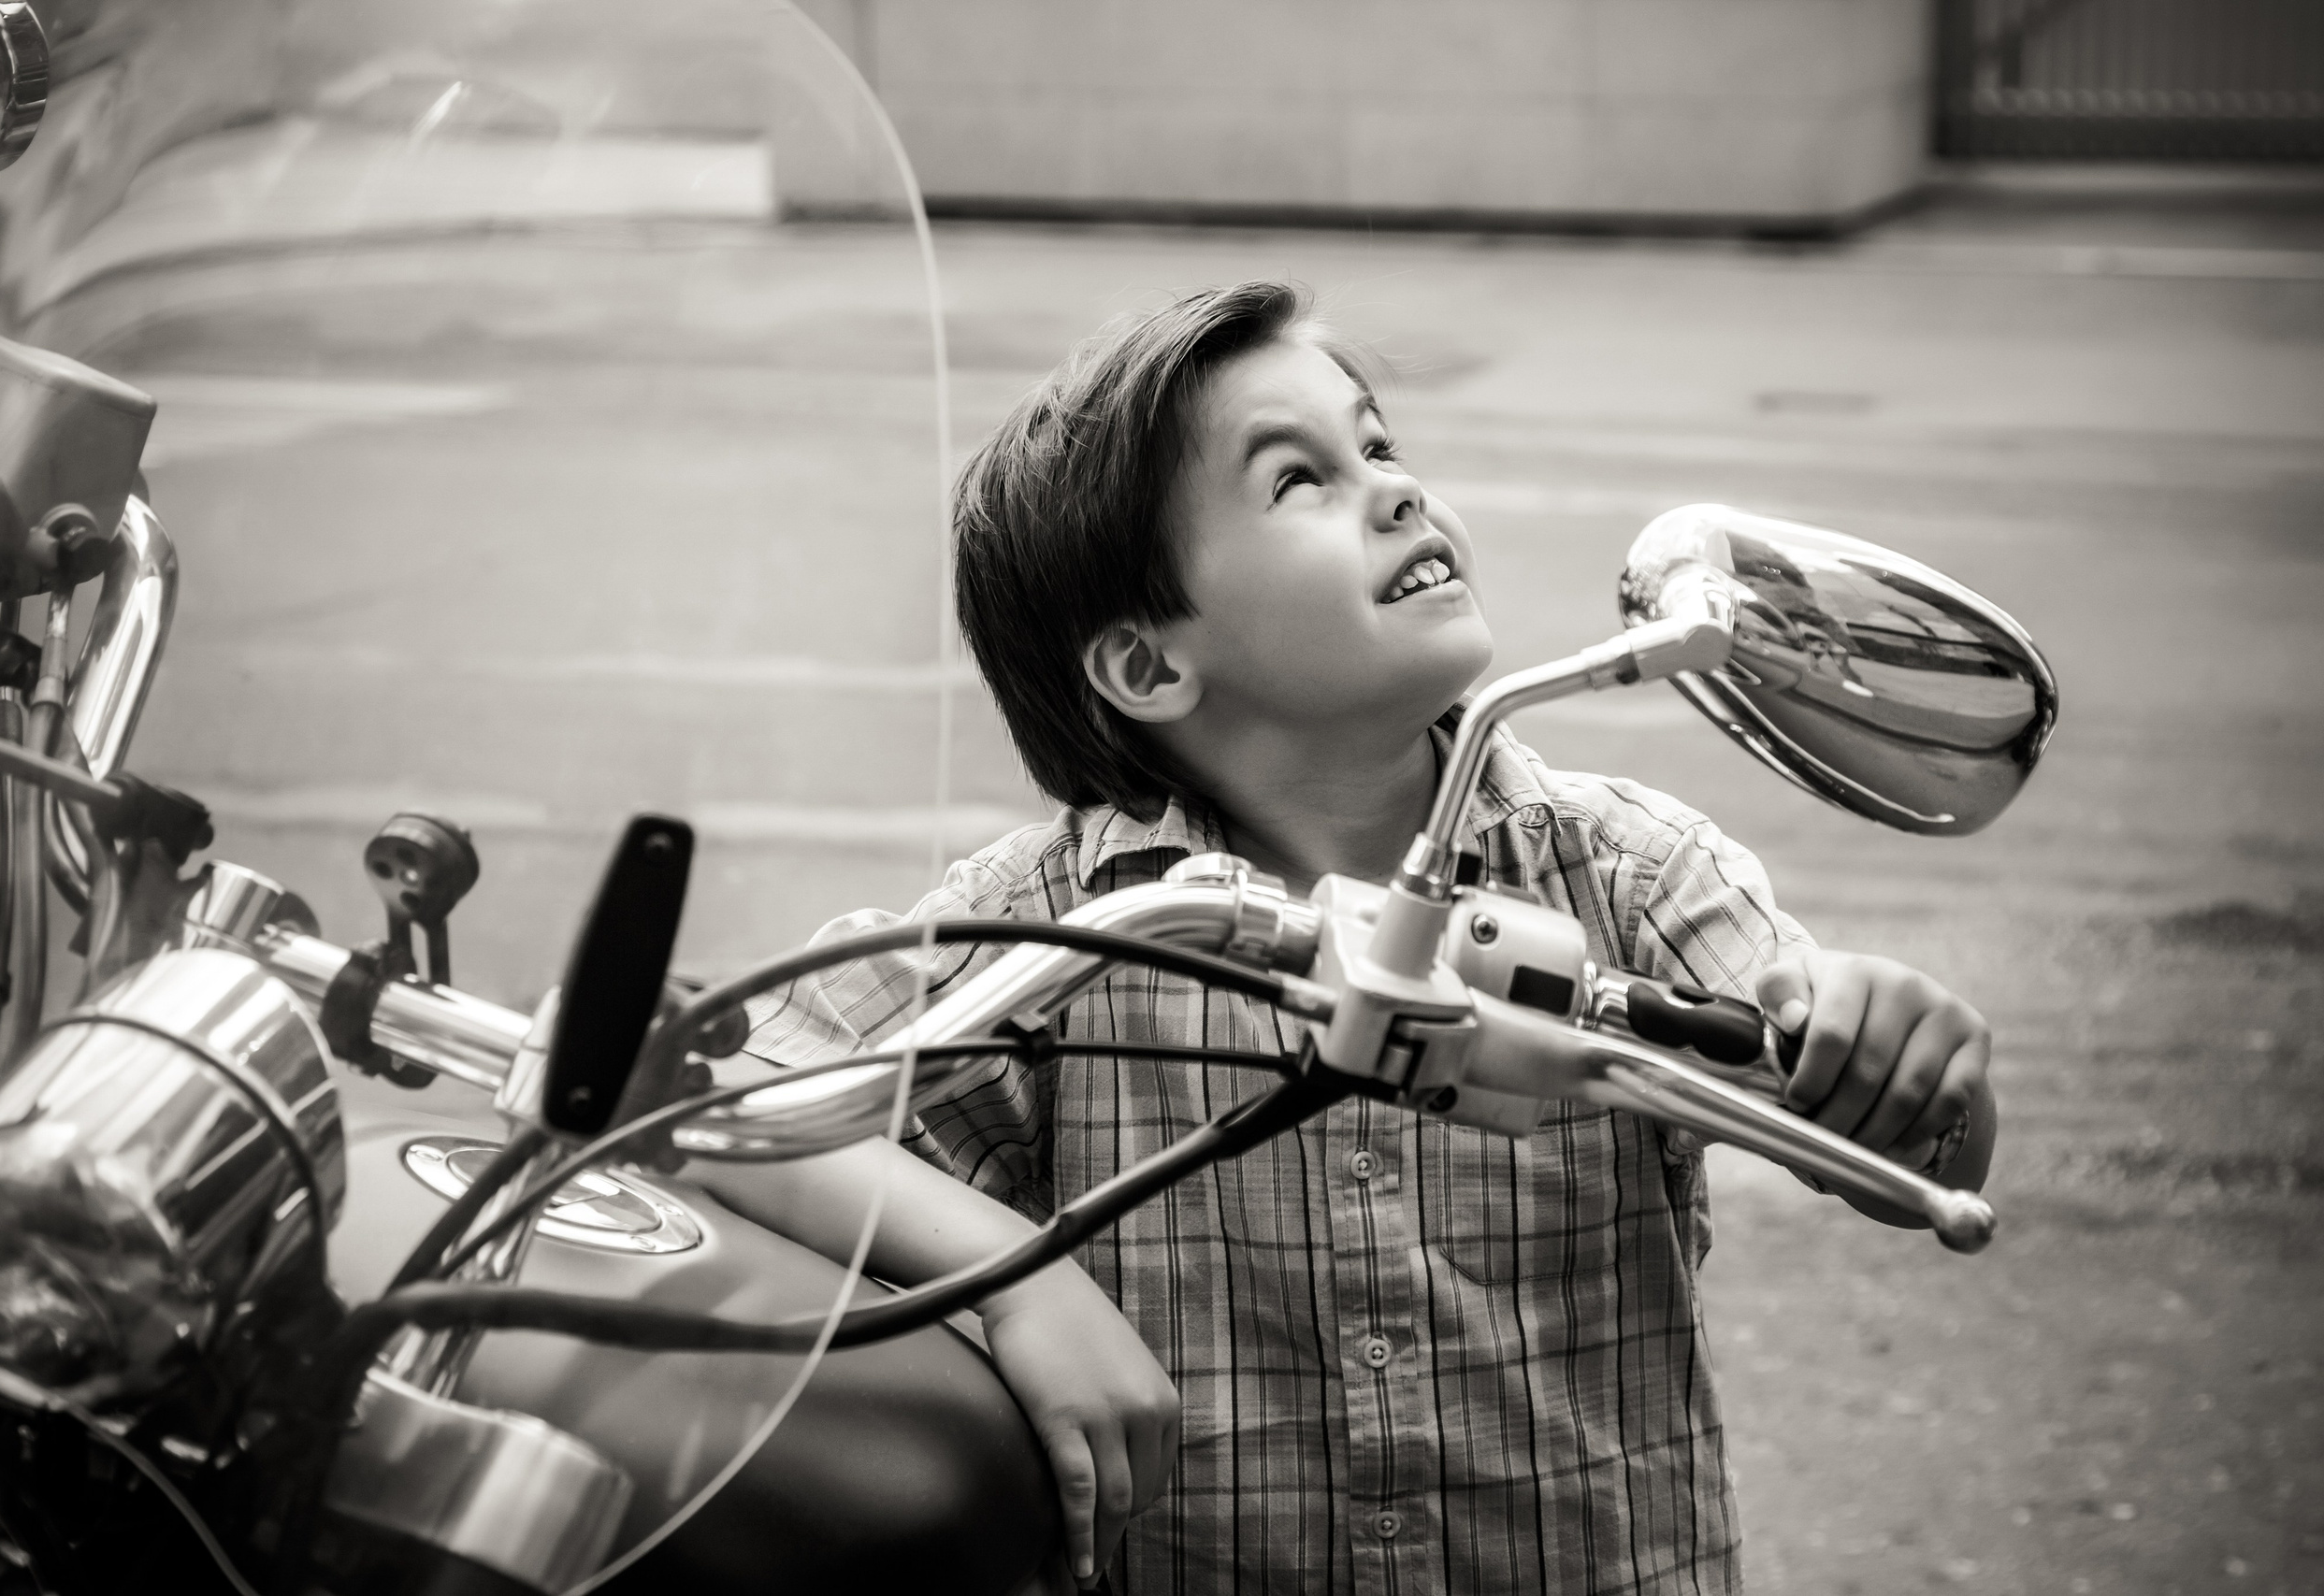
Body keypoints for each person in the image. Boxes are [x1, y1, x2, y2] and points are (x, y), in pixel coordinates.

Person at [705, 280, 1996, 1596]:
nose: (1395, 490)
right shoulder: (1063, 927)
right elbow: (710, 1092)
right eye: (1297, 481)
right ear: (1149, 667)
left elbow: (1894, 1135)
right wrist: (1016, 1282)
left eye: (1377, 444)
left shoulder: (1632, 871)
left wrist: (1890, 1051)